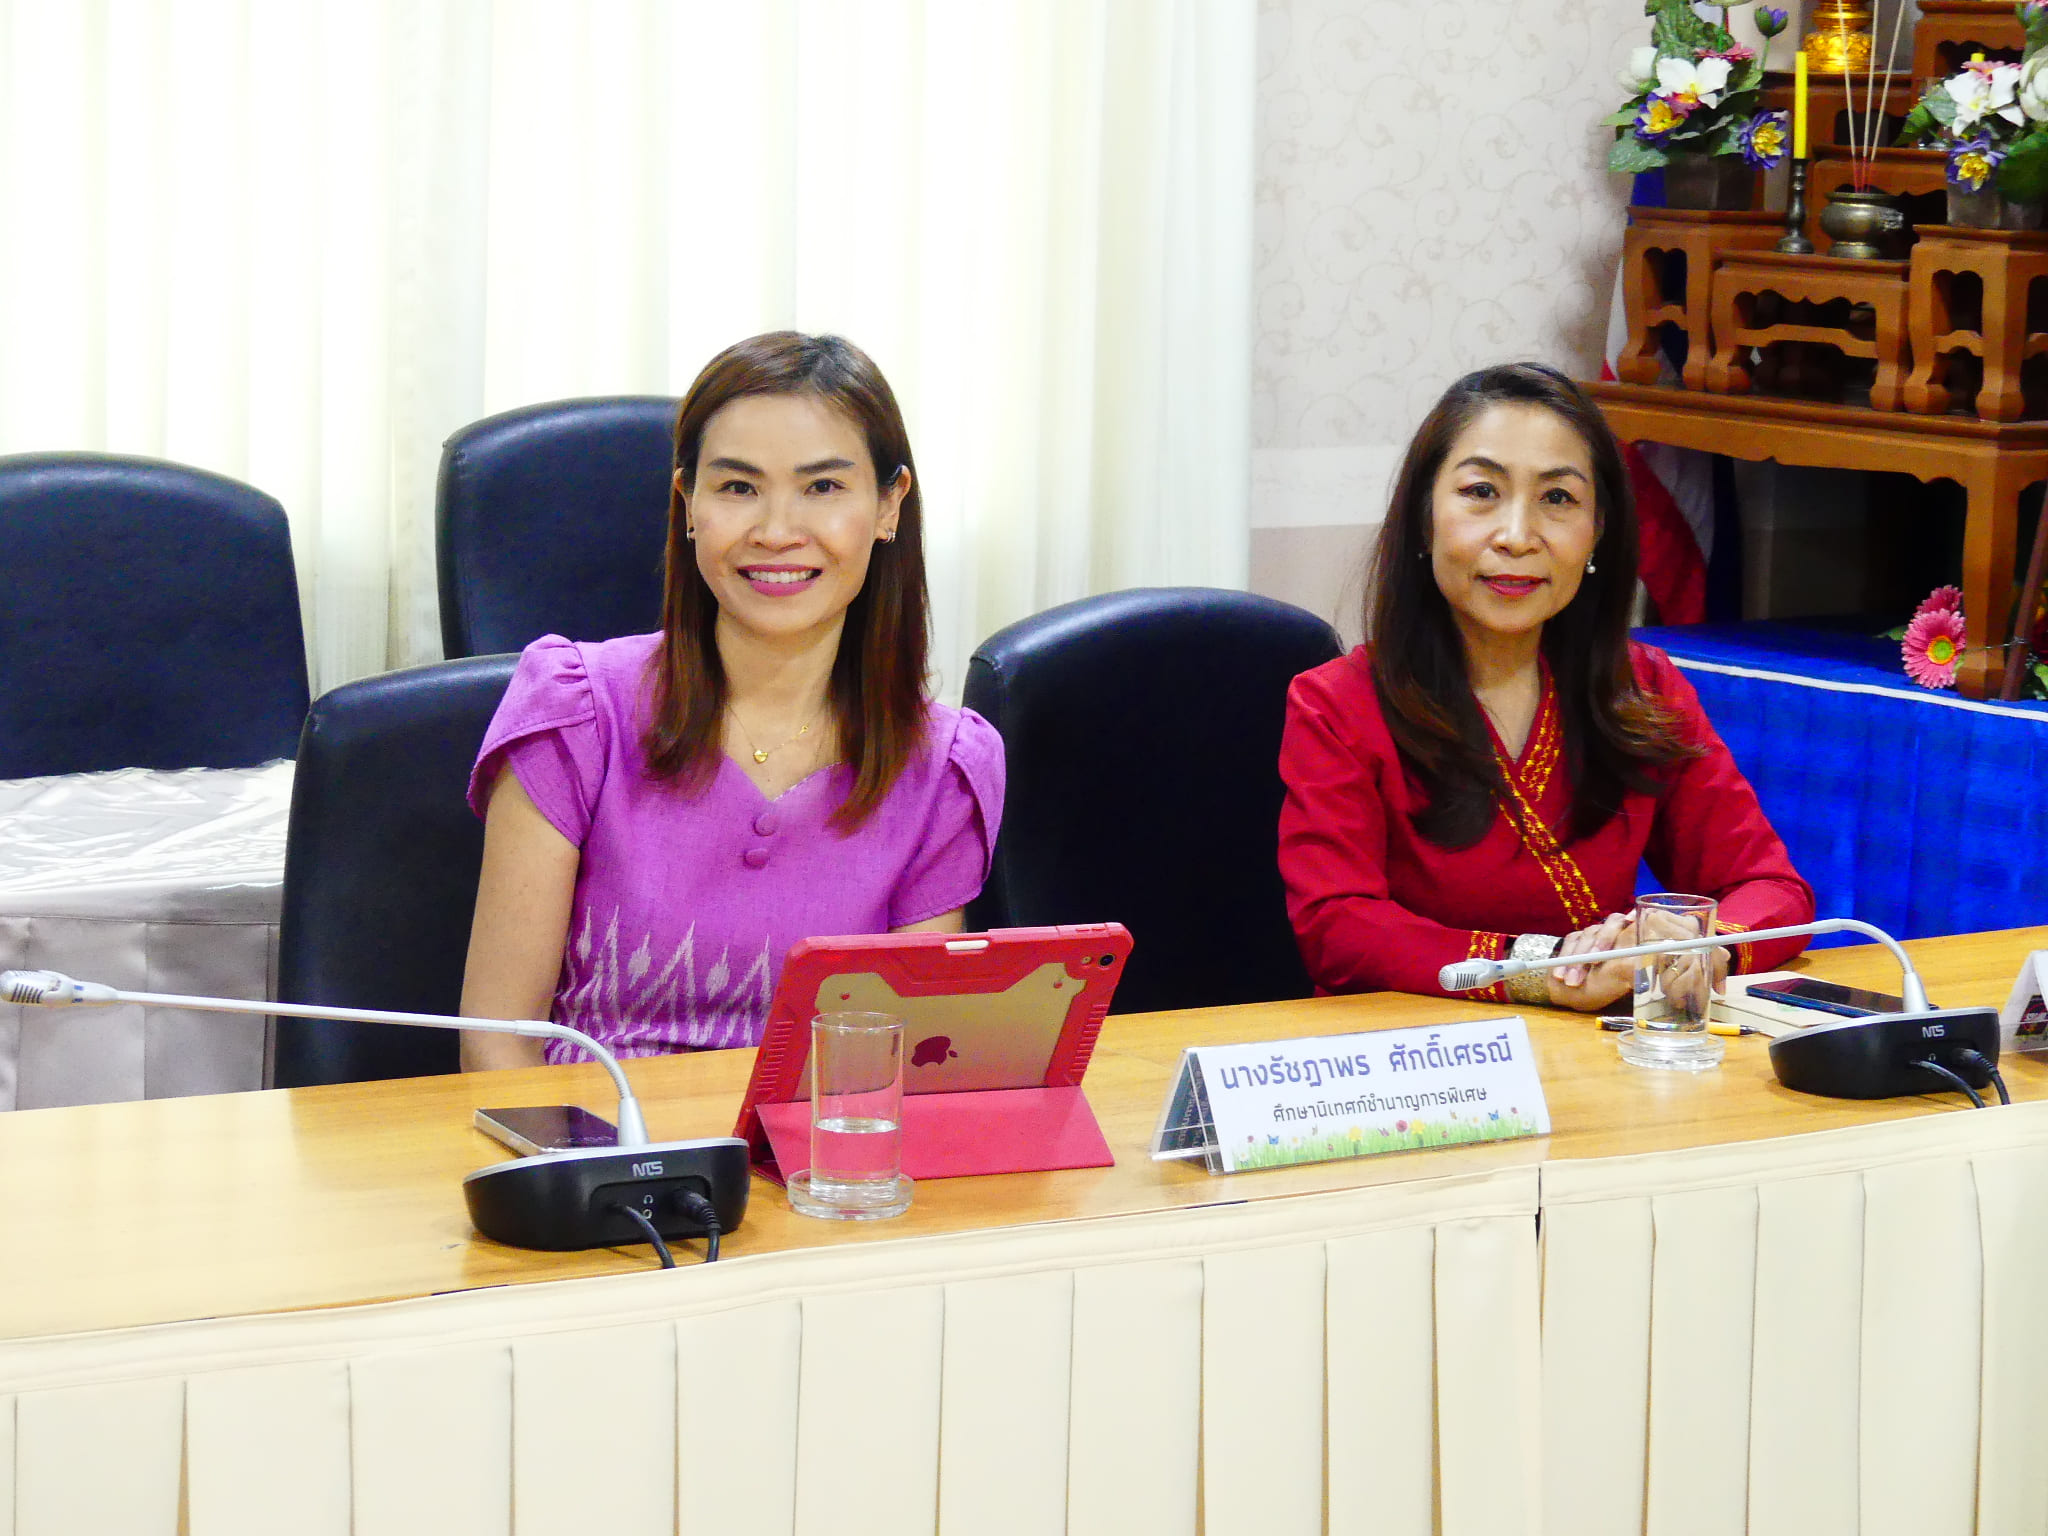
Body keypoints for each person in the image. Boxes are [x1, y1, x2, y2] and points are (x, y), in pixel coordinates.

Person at [459, 332, 1003, 1068]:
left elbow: (903, 1066)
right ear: (688, 503)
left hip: (819, 1140)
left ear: (888, 505)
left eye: (823, 487)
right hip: (597, 1133)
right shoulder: (575, 714)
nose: (776, 533)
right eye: (738, 488)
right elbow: (496, 1042)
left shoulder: (942, 769)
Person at [1277, 362, 1813, 1013]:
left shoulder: (1644, 687)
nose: (1516, 537)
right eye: (1481, 492)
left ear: (1597, 531)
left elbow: (1771, 888)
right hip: (1411, 1056)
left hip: (1597, 1051)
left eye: (1557, 499)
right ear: (1424, 519)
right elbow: (1339, 928)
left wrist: (1698, 947)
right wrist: (1548, 969)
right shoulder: (1336, 703)